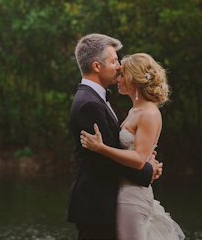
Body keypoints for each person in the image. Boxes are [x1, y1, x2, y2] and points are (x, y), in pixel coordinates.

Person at [68, 34, 163, 240]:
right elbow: (102, 160)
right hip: (96, 204)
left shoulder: (95, 99)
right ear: (96, 66)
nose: (118, 67)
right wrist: (147, 169)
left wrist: (145, 162)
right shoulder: (89, 103)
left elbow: (113, 150)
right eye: (113, 61)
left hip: (108, 202)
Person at [81, 52, 185, 240]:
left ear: (134, 78)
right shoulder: (135, 110)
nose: (117, 79)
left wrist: (101, 147)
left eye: (122, 75)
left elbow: (138, 160)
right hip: (125, 190)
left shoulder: (148, 113)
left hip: (133, 195)